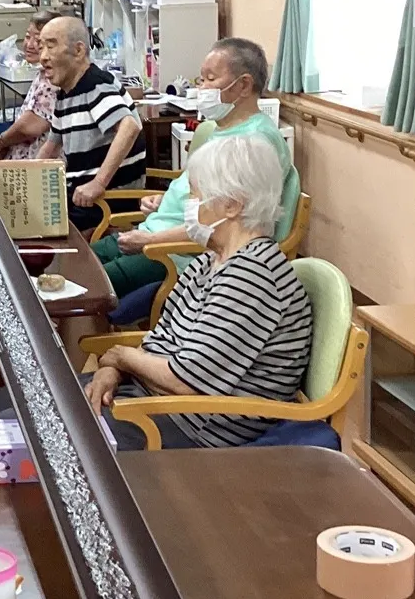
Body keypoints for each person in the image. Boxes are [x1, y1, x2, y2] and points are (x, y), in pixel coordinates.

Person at [84, 132, 313, 449]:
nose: (188, 207)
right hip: (153, 401)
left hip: (191, 427)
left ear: (231, 205)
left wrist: (120, 357)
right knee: (17, 406)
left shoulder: (251, 276)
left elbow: (186, 381)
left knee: (37, 431)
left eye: (194, 196)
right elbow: (159, 345)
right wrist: (112, 368)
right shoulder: (210, 261)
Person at [92, 38, 296, 312]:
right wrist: (164, 199)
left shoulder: (254, 144)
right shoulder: (220, 128)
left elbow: (226, 227)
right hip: (155, 232)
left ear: (244, 85)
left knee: (85, 288)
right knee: (77, 263)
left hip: (177, 253)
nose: (201, 88)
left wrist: (150, 241)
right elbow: (202, 195)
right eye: (201, 79)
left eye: (210, 79)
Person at [31, 14, 145, 233]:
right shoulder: (66, 94)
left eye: (51, 46)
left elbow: (129, 126)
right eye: (41, 47)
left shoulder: (95, 85)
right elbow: (50, 148)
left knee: (39, 236)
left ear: (79, 50)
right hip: (80, 199)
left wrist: (98, 183)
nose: (43, 57)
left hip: (105, 202)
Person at [0, 8, 64, 161]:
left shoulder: (55, 80)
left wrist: (1, 142)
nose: (30, 45)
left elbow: (29, 127)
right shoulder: (43, 73)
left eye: (38, 41)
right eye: (27, 36)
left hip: (38, 169)